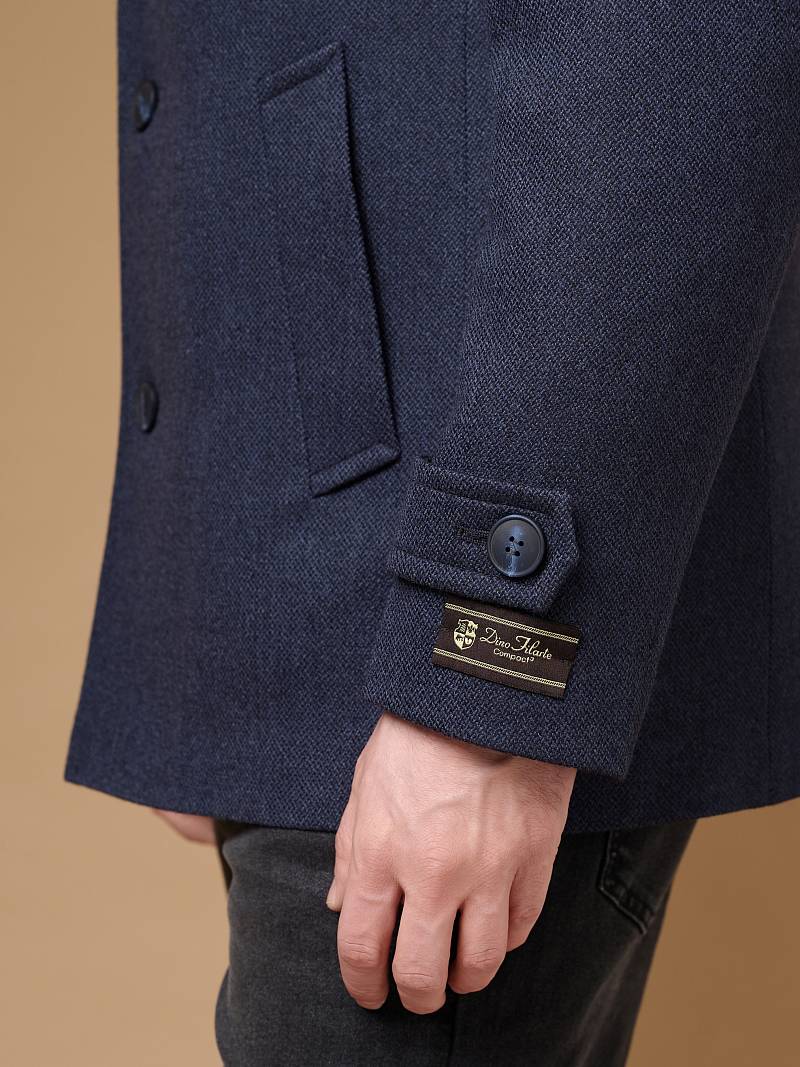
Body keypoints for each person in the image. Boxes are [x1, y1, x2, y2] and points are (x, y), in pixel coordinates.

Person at [66, 4, 800, 1064]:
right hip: (318, 592)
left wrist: (488, 673)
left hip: (444, 593)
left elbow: (670, 33)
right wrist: (200, 600)